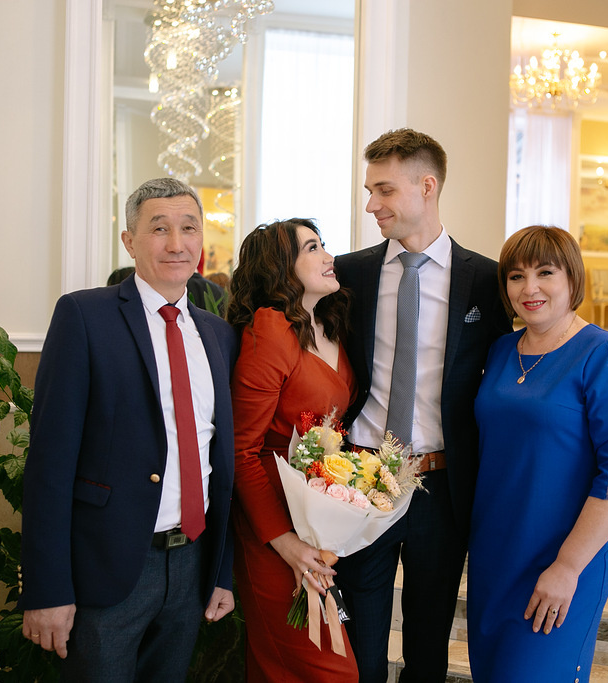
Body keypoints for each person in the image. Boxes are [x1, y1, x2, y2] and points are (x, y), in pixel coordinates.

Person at [19, 178, 238, 681]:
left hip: (192, 565)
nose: (176, 243)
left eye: (189, 228)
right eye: (159, 229)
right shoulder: (84, 316)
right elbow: (50, 464)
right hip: (109, 566)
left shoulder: (218, 334)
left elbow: (221, 462)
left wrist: (221, 571)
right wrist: (47, 590)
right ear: (129, 241)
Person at [333, 128, 511, 682]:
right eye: (370, 191)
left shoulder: (485, 280)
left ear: (427, 186)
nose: (372, 204)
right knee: (359, 648)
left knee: (429, 649)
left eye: (384, 190)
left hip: (441, 485)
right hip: (360, 481)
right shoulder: (348, 273)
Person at [467, 225, 608, 681]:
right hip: (495, 554)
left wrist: (567, 566)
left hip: (563, 557)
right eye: (516, 276)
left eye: (545, 273)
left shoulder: (604, 353)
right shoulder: (501, 350)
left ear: (572, 278)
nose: (529, 288)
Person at [226, 219, 360, 682]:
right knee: (328, 671)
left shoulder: (327, 324)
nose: (329, 257)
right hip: (272, 522)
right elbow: (241, 450)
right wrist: (284, 541)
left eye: (324, 245)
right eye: (312, 248)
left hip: (316, 516)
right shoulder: (271, 329)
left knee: (294, 665)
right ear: (281, 265)